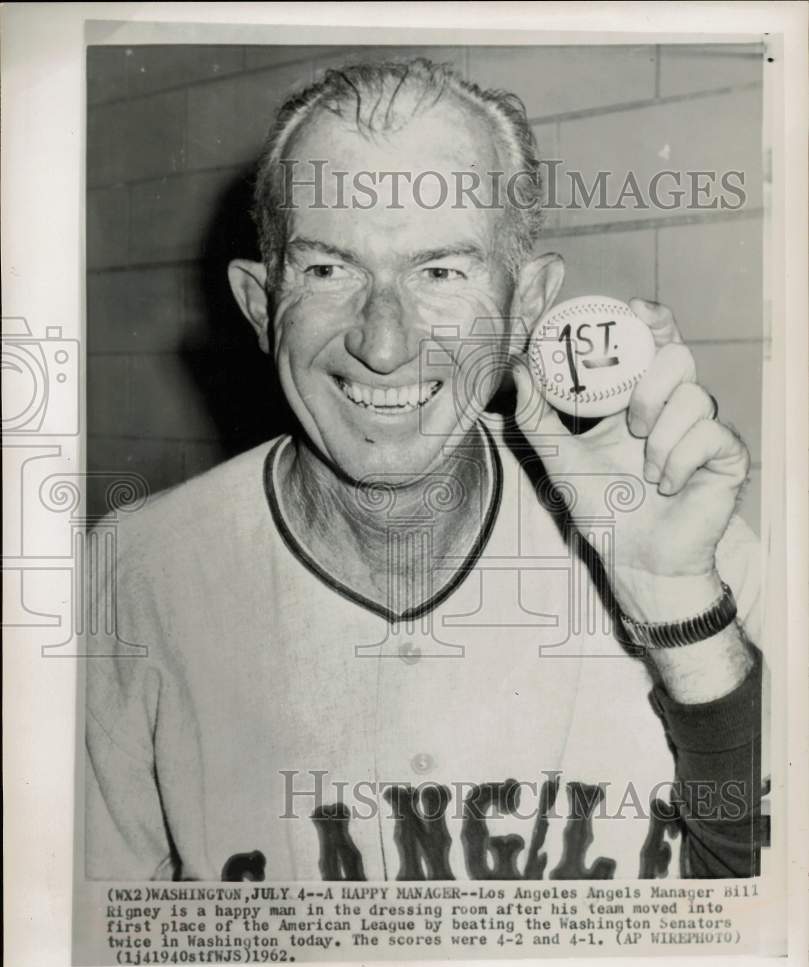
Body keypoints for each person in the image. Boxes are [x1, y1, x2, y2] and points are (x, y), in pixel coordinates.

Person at [85, 58, 764, 883]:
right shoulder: (126, 578)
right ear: (261, 305)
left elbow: (767, 923)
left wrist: (676, 611)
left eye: (441, 272)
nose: (384, 342)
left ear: (525, 307)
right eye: (328, 270)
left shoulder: (693, 551)